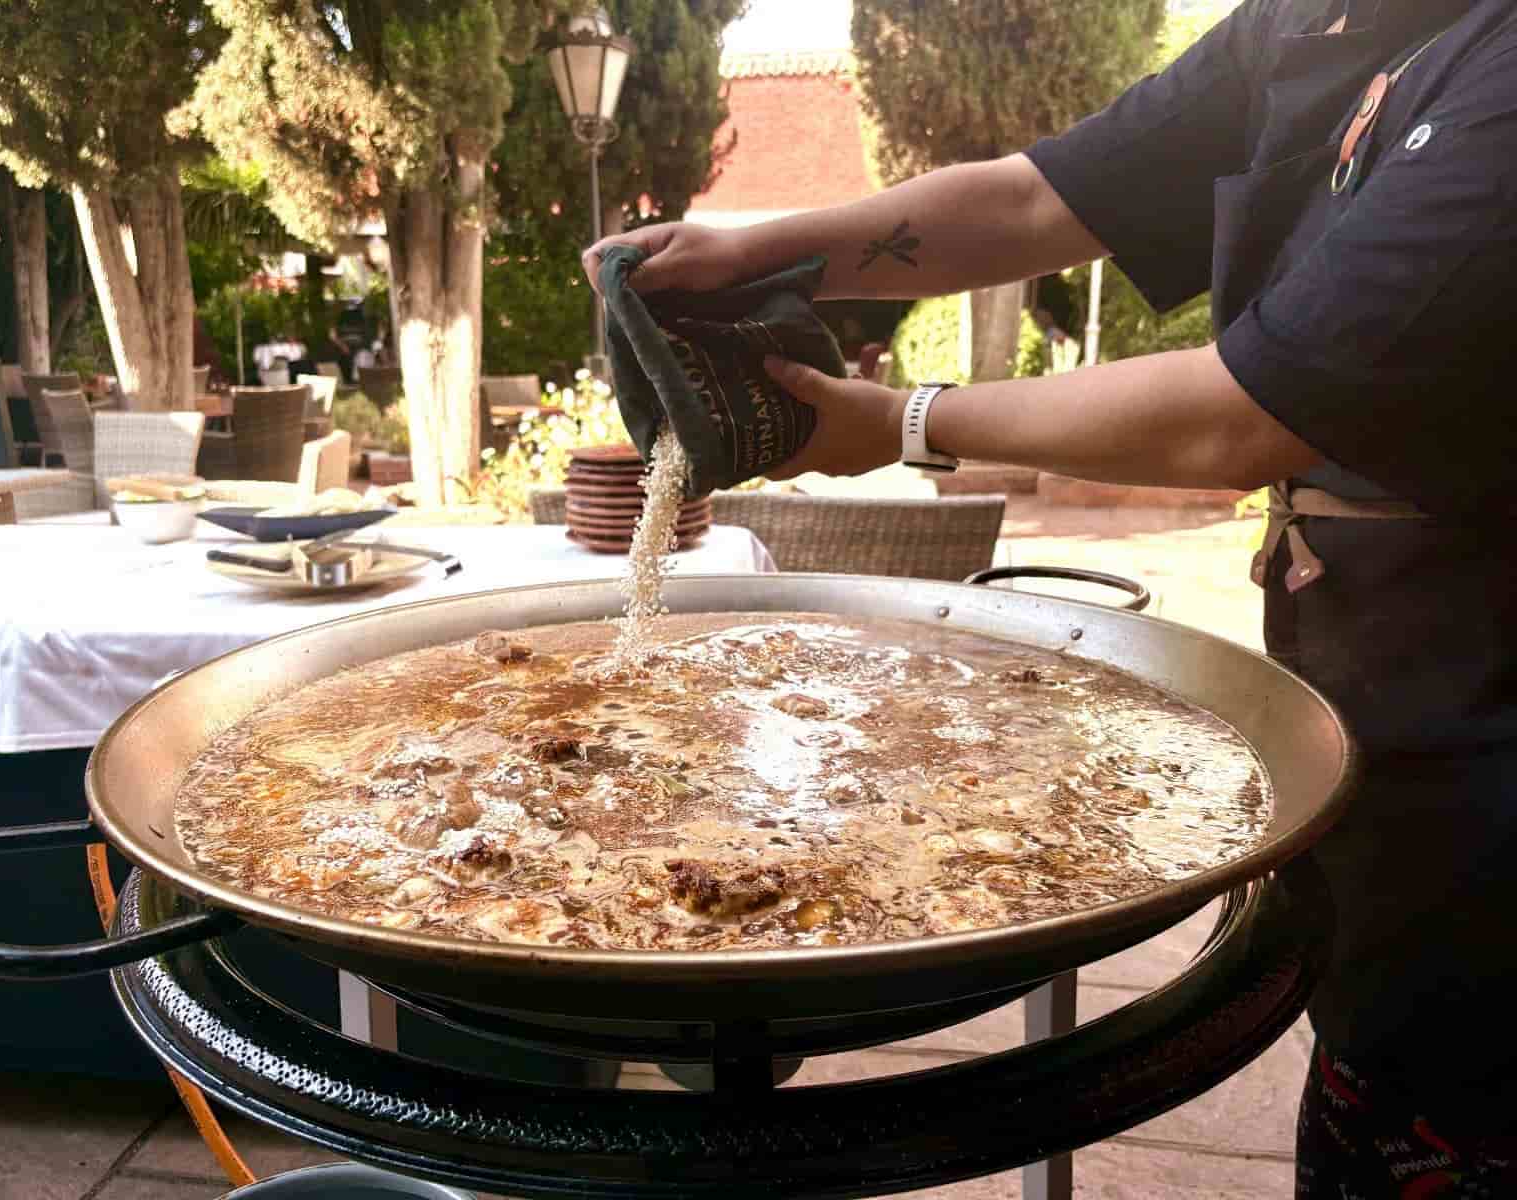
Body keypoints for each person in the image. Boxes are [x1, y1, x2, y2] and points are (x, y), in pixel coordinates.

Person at [584, 2, 1517, 1194]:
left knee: (1465, 1071)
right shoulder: (1310, 22)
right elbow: (1034, 199)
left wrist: (897, 424)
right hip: (1378, 678)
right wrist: (753, 246)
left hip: (1495, 694)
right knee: (1378, 1051)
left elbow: (1248, 411)